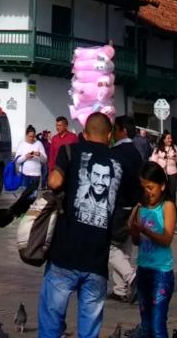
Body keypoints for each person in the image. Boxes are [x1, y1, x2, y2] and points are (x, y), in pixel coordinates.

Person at [38, 112, 122, 338]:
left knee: (51, 322)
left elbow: (54, 182)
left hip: (65, 253)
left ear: (84, 134)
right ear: (110, 135)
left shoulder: (71, 150)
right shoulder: (119, 162)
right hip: (97, 259)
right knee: (89, 328)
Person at [129, 160, 177, 338]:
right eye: (144, 187)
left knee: (158, 325)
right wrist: (135, 231)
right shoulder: (140, 207)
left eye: (150, 187)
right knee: (146, 325)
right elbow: (135, 241)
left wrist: (145, 230)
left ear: (162, 186)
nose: (147, 192)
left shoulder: (167, 207)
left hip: (161, 273)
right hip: (143, 270)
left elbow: (166, 239)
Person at [109, 116, 143, 301]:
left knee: (109, 247)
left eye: (115, 129)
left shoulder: (117, 152)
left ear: (122, 130)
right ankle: (120, 290)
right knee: (125, 248)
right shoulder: (135, 152)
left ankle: (132, 278)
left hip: (119, 205)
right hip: (133, 205)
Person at [14, 125, 47, 200]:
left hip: (36, 174)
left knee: (33, 197)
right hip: (25, 174)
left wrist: (39, 154)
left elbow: (44, 160)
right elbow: (17, 160)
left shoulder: (39, 144)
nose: (32, 138)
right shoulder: (21, 144)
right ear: (26, 135)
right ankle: (23, 210)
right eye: (30, 136)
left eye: (33, 136)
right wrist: (26, 156)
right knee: (25, 196)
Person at [149, 132, 177, 206]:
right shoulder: (158, 148)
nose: (170, 140)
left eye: (171, 138)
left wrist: (175, 157)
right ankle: (162, 208)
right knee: (162, 191)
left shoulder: (174, 147)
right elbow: (153, 160)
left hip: (172, 173)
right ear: (163, 139)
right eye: (168, 138)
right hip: (161, 173)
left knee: (172, 192)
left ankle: (172, 208)